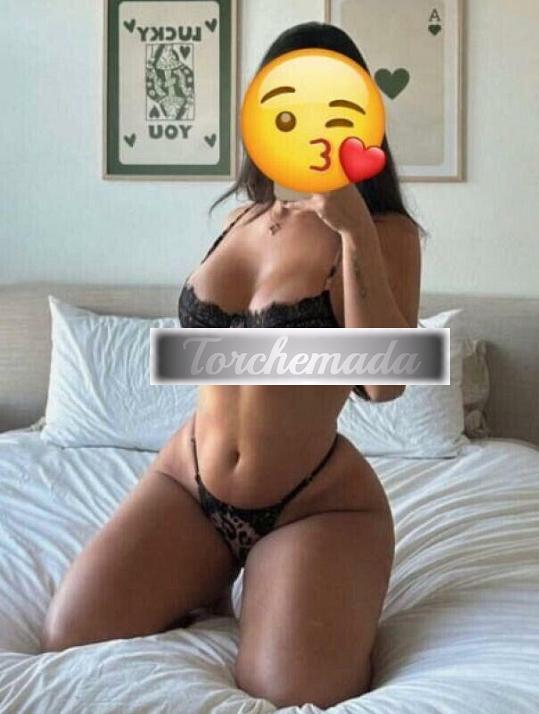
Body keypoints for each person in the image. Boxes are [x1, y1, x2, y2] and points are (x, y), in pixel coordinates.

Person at [40, 21, 423, 709]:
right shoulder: (239, 220)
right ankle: (211, 576)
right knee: (70, 633)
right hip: (189, 484)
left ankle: (303, 586)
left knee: (291, 692)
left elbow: (384, 379)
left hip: (314, 504)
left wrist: (353, 230)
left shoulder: (385, 231)